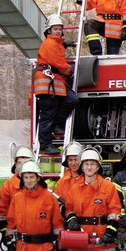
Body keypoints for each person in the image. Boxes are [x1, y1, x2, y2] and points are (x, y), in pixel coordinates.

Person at [33, 14, 79, 155]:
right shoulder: (50, 44)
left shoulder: (56, 44)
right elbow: (58, 62)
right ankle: (46, 145)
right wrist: (69, 71)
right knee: (47, 115)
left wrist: (65, 44)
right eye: (55, 29)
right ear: (49, 31)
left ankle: (57, 125)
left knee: (72, 100)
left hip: (54, 82)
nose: (58, 31)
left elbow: (57, 50)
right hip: (48, 83)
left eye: (60, 29)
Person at [53, 141, 84, 251]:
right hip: (67, 229)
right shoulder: (62, 182)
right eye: (70, 160)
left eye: (76, 159)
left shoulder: (86, 177)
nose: (73, 163)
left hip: (83, 228)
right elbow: (57, 204)